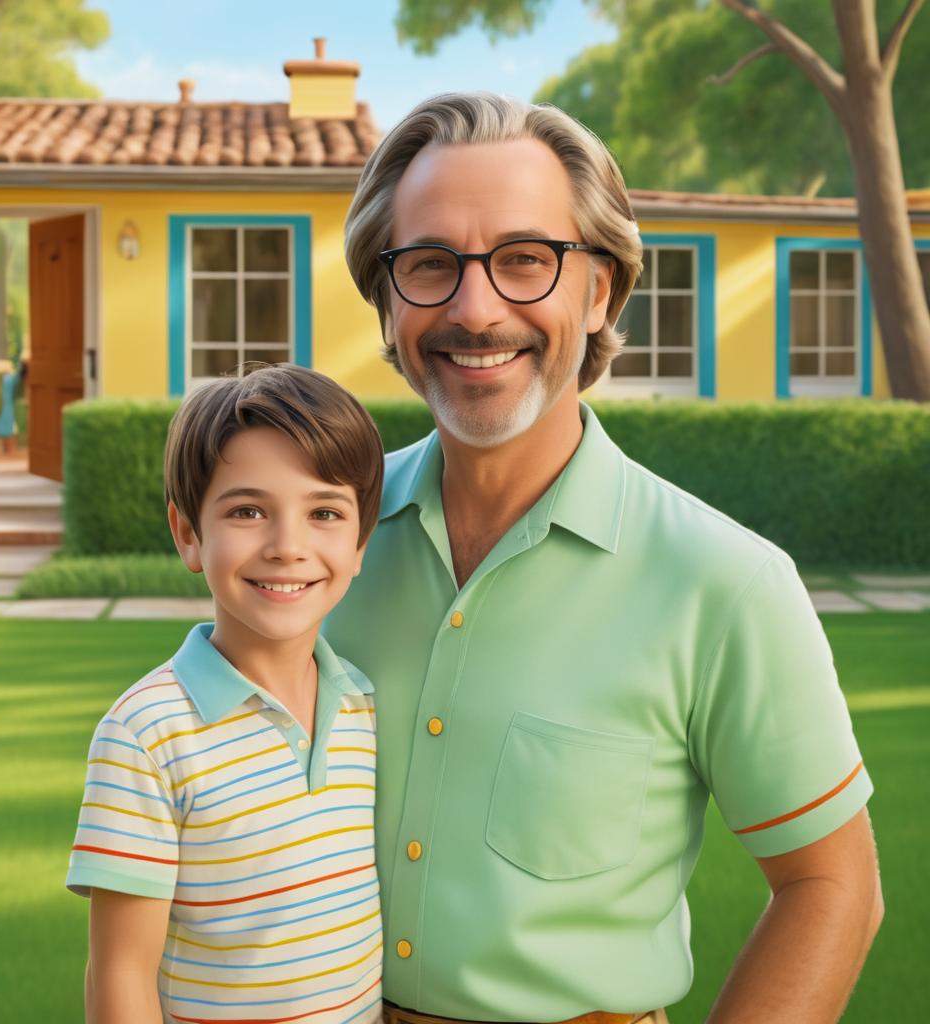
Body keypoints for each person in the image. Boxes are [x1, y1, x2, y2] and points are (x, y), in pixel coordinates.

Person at [323, 93, 882, 1024]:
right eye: (428, 265)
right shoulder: (316, 554)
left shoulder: (726, 585)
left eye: (525, 261)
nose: (474, 307)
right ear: (386, 302)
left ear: (602, 290)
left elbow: (834, 887)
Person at [66, 363, 385, 1024]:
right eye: (247, 511)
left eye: (324, 512)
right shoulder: (147, 735)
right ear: (188, 533)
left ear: (360, 543)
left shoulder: (367, 707)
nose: (287, 546)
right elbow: (121, 972)